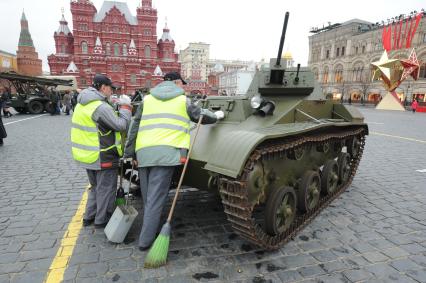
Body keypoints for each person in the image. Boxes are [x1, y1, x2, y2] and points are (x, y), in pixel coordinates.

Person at [124, 71, 224, 251]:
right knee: (155, 200)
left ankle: (150, 229)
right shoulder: (182, 100)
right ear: (176, 82)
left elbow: (134, 127)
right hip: (167, 154)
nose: (183, 86)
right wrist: (217, 116)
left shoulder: (147, 100)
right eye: (182, 83)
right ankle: (145, 241)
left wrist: (129, 154)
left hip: (144, 153)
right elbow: (201, 115)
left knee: (149, 198)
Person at [71, 74, 132, 228]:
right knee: (106, 189)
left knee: (95, 187)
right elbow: (120, 125)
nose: (112, 92)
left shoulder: (82, 104)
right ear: (103, 88)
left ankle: (88, 217)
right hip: (103, 154)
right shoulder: (100, 107)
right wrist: (125, 109)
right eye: (111, 89)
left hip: (86, 155)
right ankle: (101, 220)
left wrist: (111, 106)